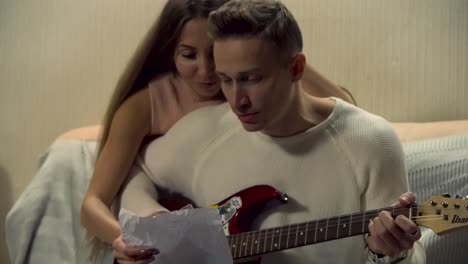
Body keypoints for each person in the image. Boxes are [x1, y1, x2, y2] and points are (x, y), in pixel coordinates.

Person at [119, 0, 426, 263]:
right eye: (225, 79)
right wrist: (153, 226)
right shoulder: (206, 129)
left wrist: (391, 254)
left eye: (251, 78)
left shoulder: (371, 141)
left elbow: (404, 256)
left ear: (296, 69)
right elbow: (135, 174)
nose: (237, 100)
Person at [79, 0, 354, 263]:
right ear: (169, 51)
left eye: (214, 54)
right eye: (188, 55)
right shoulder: (145, 105)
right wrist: (127, 239)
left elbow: (347, 112)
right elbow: (93, 204)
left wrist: (275, 48)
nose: (206, 70)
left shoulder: (243, 88)